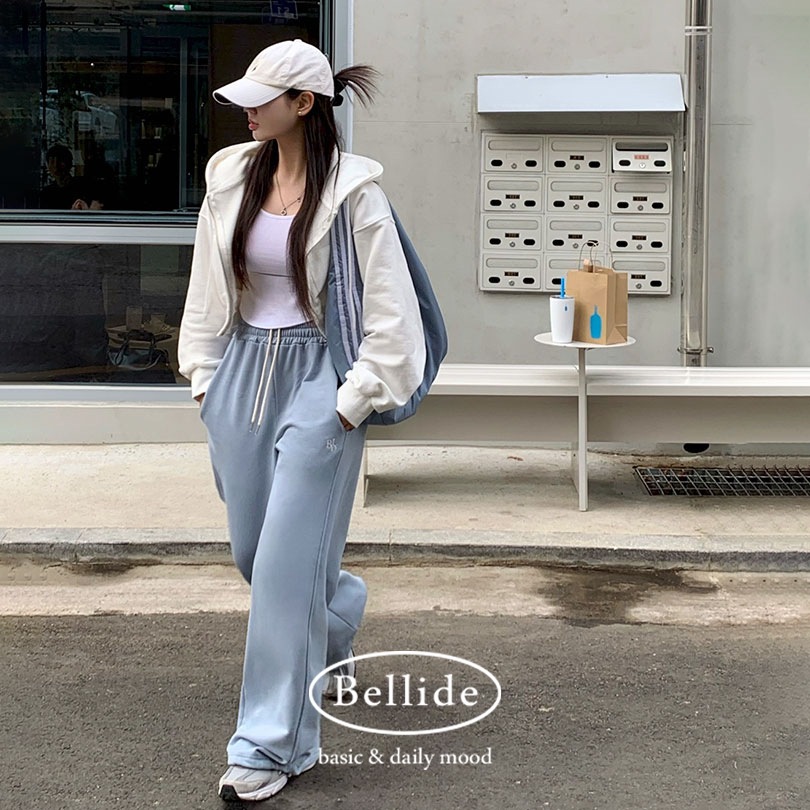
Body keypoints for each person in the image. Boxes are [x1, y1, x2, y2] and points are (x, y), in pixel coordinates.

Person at [177, 39, 426, 802]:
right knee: (258, 557)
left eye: (262, 99)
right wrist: (204, 377)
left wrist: (354, 400)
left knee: (284, 572)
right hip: (241, 374)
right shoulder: (231, 176)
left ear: (304, 103)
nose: (247, 110)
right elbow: (207, 287)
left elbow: (392, 312)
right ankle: (338, 612)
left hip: (322, 378)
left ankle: (273, 744)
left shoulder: (355, 193)